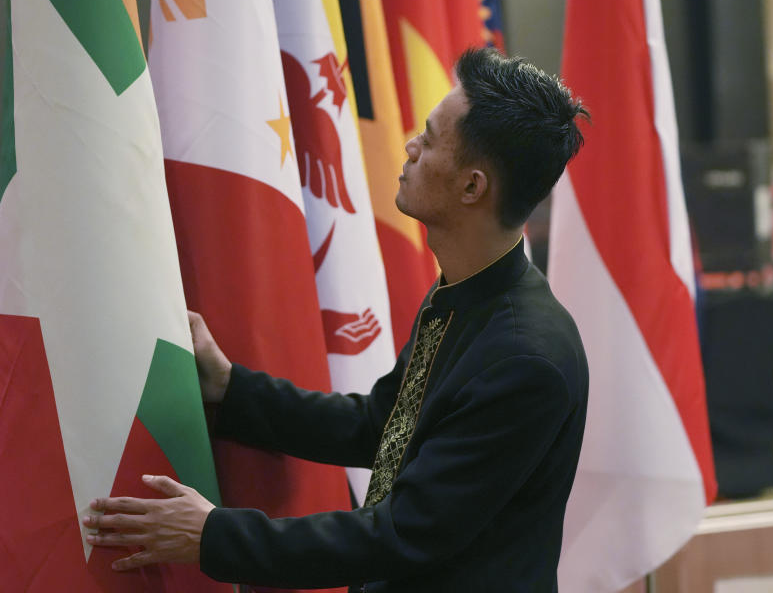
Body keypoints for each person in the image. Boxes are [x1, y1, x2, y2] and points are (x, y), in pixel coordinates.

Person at [84, 48, 590, 592]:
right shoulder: (467, 291)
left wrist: (214, 535)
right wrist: (231, 389)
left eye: (429, 137)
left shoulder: (524, 359)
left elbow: (404, 534)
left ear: (472, 187)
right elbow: (380, 426)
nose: (410, 146)